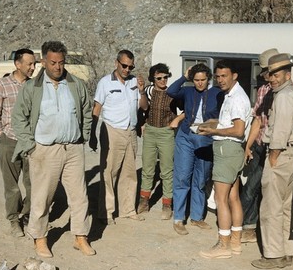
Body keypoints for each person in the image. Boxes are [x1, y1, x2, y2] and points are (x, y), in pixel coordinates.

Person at [11, 40, 95, 258]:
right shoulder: (32, 88)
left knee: (79, 196)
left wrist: (83, 136)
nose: (57, 67)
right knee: (42, 198)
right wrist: (30, 145)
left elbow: (87, 111)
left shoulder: (76, 84)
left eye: (61, 62)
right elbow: (19, 118)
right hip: (45, 150)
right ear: (43, 62)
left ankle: (80, 237)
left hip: (73, 148)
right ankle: (39, 239)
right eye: (53, 62)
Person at [240, 49, 293, 244]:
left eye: (274, 73)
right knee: (253, 188)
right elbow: (258, 121)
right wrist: (248, 146)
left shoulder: (287, 94)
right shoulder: (266, 91)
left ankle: (270, 244)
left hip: (275, 150)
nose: (270, 77)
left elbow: (281, 131)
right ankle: (249, 226)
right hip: (262, 144)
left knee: (271, 199)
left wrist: (274, 157)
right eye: (269, 73)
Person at [198, 60, 251, 259]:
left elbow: (238, 130)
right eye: (218, 76)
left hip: (227, 150)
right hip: (233, 150)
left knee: (220, 199)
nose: (220, 80)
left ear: (234, 75)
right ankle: (235, 242)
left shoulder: (236, 98)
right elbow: (231, 123)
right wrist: (212, 124)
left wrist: (214, 131)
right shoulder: (232, 95)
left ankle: (224, 245)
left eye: (224, 76)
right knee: (233, 197)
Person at [89, 49, 148, 225]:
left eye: (130, 67)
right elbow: (97, 109)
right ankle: (105, 212)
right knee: (109, 173)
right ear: (116, 63)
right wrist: (92, 133)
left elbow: (144, 107)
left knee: (129, 173)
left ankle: (128, 209)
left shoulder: (134, 82)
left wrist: (142, 91)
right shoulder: (105, 83)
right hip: (112, 130)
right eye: (124, 65)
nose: (127, 69)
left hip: (130, 131)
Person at [166, 63, 221, 235]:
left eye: (203, 80)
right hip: (186, 136)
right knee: (182, 176)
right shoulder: (188, 91)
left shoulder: (217, 93)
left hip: (205, 138)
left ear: (208, 79)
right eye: (196, 80)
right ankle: (179, 218)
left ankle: (197, 217)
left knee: (201, 178)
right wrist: (184, 77)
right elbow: (171, 91)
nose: (199, 83)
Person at [0, 48, 35, 238]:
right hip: (9, 140)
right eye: (30, 64)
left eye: (34, 64)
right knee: (12, 185)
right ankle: (14, 220)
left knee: (34, 184)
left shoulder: (35, 86)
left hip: (31, 142)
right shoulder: (2, 84)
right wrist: (1, 135)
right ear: (18, 64)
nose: (33, 67)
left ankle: (28, 214)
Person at [137, 63, 185, 220]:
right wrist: (142, 91)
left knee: (166, 170)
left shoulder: (173, 93)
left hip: (166, 133)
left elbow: (185, 110)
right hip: (150, 132)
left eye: (165, 77)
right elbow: (144, 108)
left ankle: (167, 204)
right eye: (159, 78)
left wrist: (177, 119)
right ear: (153, 78)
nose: (163, 80)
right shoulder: (150, 90)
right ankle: (144, 201)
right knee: (148, 168)